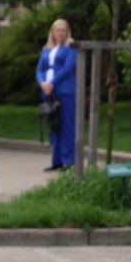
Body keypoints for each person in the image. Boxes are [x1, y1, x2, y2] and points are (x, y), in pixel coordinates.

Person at [35, 19, 77, 171]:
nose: (60, 33)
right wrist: (42, 83)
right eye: (57, 30)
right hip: (47, 92)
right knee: (53, 125)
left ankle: (68, 159)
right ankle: (57, 160)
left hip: (64, 90)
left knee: (67, 124)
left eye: (63, 30)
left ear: (67, 32)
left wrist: (51, 82)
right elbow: (39, 69)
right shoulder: (46, 49)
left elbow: (67, 68)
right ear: (52, 32)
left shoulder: (70, 47)